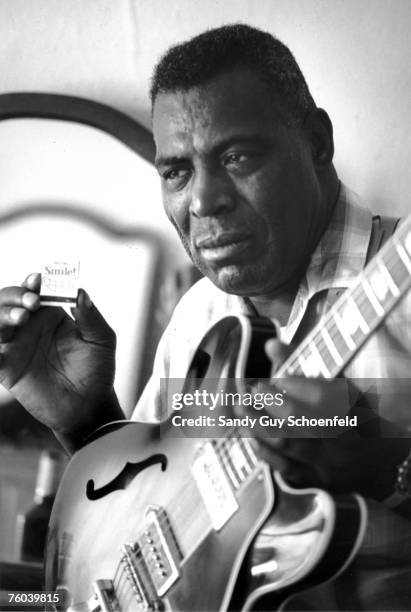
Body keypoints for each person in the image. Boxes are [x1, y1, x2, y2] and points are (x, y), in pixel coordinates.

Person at [0, 24, 410, 610]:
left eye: (237, 156)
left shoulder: (401, 291)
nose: (201, 200)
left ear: (317, 141)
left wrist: (383, 466)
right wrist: (83, 420)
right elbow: (151, 539)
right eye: (177, 172)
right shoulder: (199, 316)